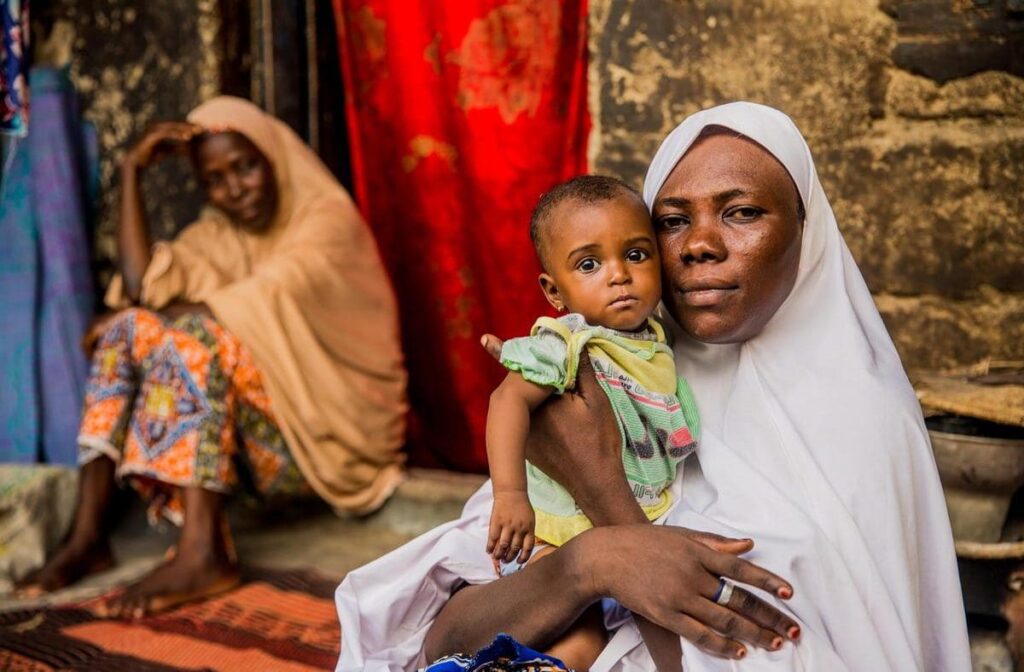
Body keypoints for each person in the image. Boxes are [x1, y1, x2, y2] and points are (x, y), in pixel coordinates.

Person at [335, 101, 971, 671]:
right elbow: (443, 641)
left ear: (809, 234)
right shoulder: (617, 378)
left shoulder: (863, 425)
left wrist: (606, 502)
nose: (698, 245)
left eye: (743, 212)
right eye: (671, 221)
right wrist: (587, 563)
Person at [17, 96, 407, 618]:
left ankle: (203, 551)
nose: (235, 189)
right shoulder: (220, 235)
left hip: (327, 437)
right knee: (128, 332)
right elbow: (140, 286)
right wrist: (132, 169)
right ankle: (87, 536)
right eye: (216, 179)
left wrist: (148, 318)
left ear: (274, 155)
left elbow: (246, 304)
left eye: (246, 166)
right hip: (252, 437)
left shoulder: (324, 220)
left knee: (192, 336)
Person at [485, 175, 699, 670]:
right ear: (554, 291)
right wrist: (510, 496)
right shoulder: (567, 343)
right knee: (578, 643)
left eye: (637, 255)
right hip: (561, 532)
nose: (619, 274)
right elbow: (506, 402)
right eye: (589, 264)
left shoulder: (656, 340)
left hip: (637, 522)